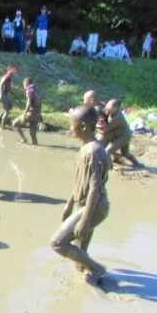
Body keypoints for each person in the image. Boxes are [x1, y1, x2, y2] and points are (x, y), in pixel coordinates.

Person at [50, 104, 111, 287]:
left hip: (94, 207)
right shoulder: (86, 148)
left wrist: (85, 219)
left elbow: (94, 188)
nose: (71, 128)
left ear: (83, 127)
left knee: (57, 242)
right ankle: (85, 276)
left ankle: (98, 268)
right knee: (79, 257)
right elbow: (80, 182)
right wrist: (69, 205)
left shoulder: (93, 152)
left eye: (72, 125)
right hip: (85, 205)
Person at [98, 99, 142, 167]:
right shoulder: (112, 112)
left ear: (116, 109)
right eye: (106, 109)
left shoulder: (116, 117)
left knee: (108, 150)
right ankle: (137, 164)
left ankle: (109, 167)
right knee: (125, 153)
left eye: (109, 110)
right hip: (122, 134)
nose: (106, 111)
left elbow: (104, 131)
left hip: (124, 137)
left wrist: (96, 126)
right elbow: (104, 112)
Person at [12, 77, 42, 145]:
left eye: (23, 83)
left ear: (26, 83)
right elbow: (40, 103)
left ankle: (23, 139)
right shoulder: (37, 91)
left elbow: (29, 103)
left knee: (15, 123)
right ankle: (35, 145)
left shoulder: (30, 90)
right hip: (37, 114)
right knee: (32, 134)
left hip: (31, 113)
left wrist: (24, 114)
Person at [0, 65, 18, 129]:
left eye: (15, 70)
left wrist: (14, 96)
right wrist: (1, 94)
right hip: (2, 95)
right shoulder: (8, 76)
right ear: (10, 69)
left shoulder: (6, 76)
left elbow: (8, 88)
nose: (15, 71)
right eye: (14, 69)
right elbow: (2, 85)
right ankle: (3, 127)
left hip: (1, 95)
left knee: (10, 105)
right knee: (6, 111)